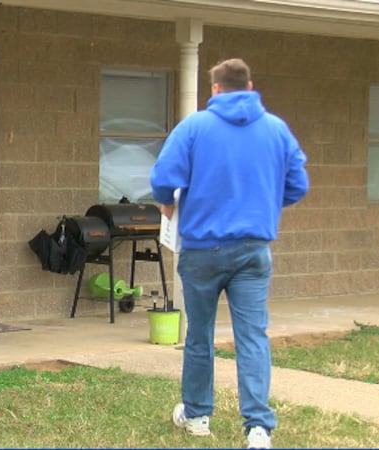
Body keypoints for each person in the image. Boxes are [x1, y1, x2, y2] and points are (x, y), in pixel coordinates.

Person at [150, 58, 309, 449]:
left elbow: (162, 179)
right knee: (252, 337)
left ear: (215, 90)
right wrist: (265, 203)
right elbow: (298, 184)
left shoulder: (194, 127)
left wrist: (166, 205)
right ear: (250, 87)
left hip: (202, 251)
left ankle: (198, 415)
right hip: (253, 251)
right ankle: (258, 428)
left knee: (199, 336)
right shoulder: (276, 129)